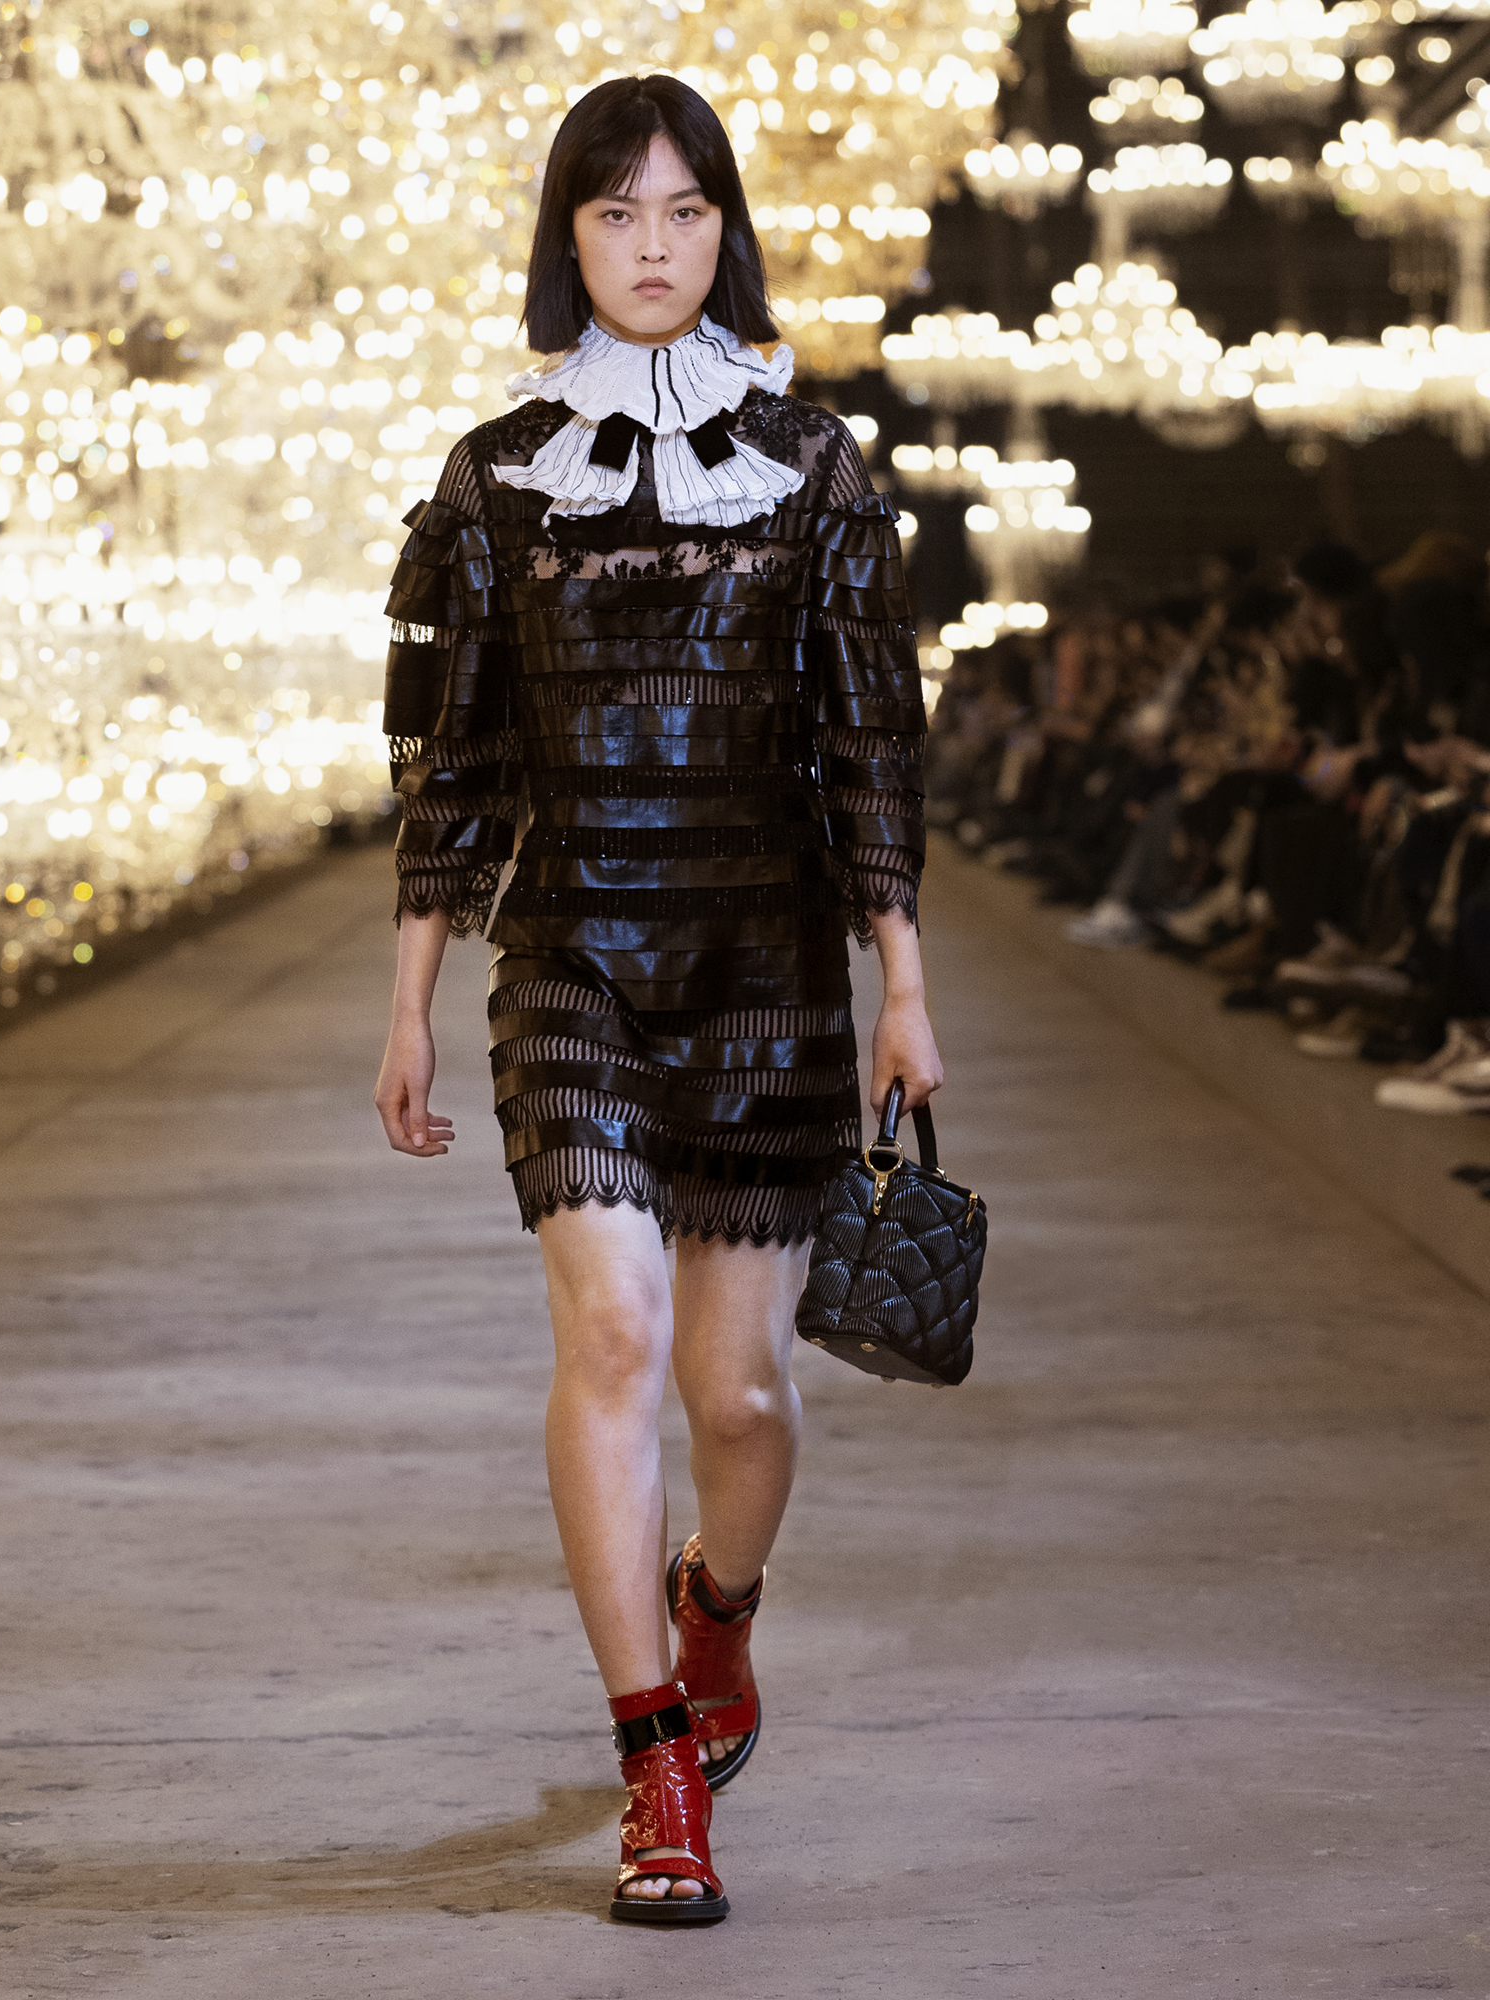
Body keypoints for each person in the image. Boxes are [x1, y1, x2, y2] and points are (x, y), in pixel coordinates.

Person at [373, 73, 940, 1925]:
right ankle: (658, 1769)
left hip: (767, 970)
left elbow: (867, 742)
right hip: (571, 966)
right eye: (616, 212)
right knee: (612, 1340)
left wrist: (903, 983)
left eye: (686, 210)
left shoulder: (816, 465)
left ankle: (720, 1609)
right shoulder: (495, 475)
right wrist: (412, 995)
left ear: (726, 231)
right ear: (569, 236)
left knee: (741, 1395)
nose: (653, 245)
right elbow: (458, 755)